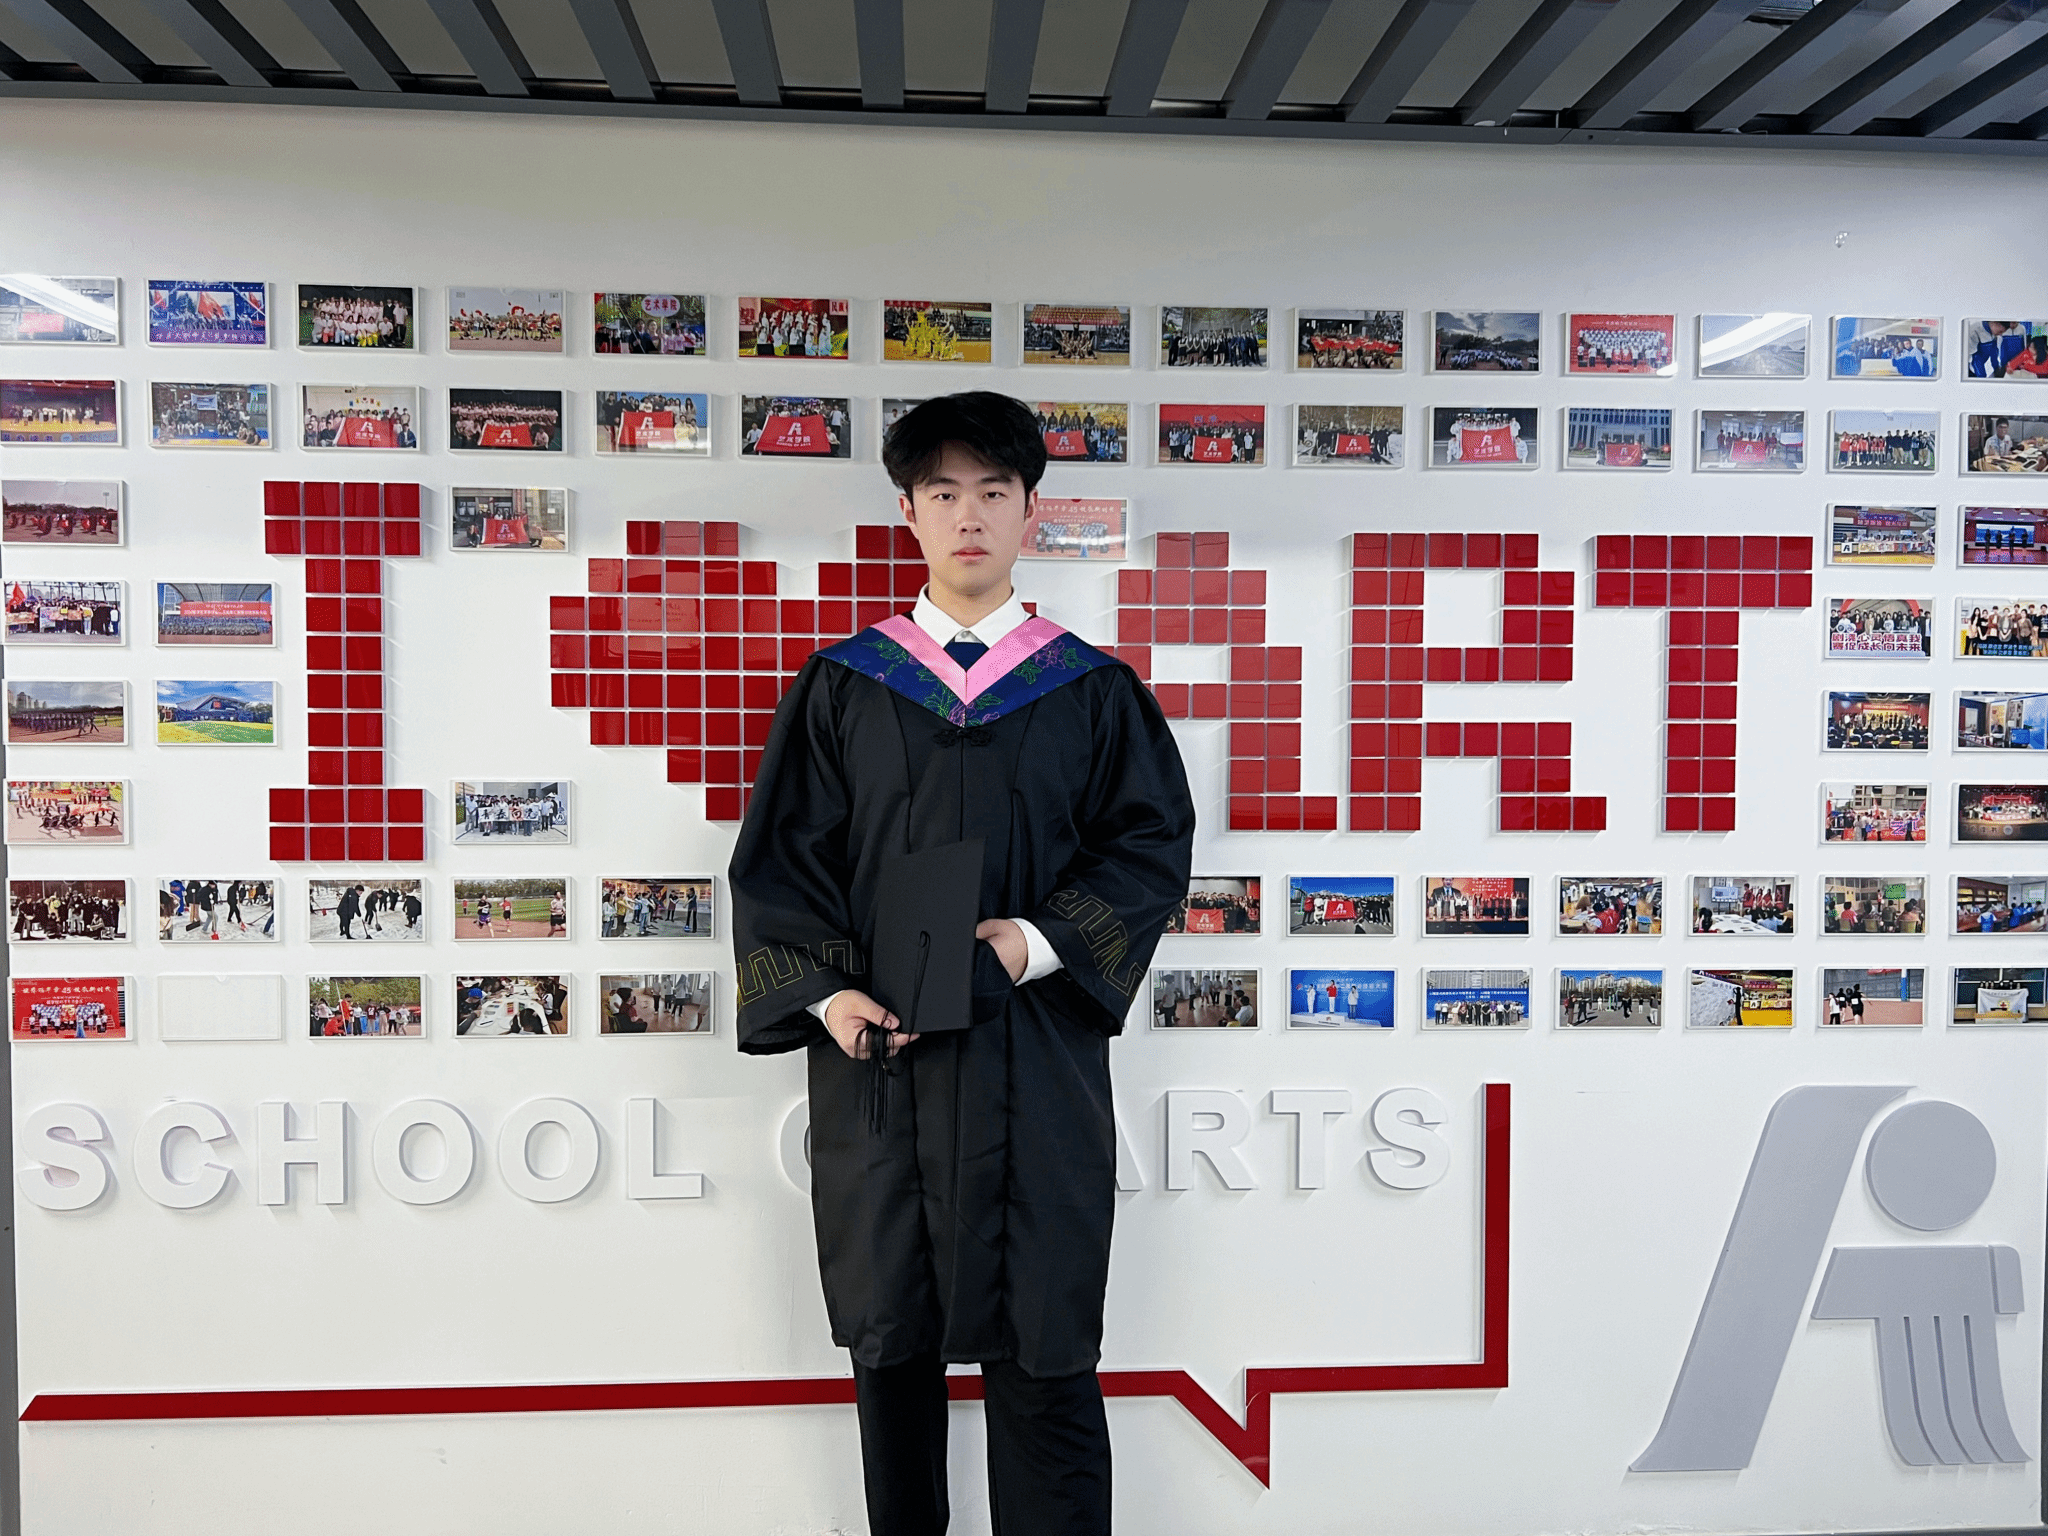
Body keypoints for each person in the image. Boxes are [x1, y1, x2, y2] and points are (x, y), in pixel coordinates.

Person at [730, 392, 1195, 1536]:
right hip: (883, 1066)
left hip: (1033, 1062)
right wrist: (826, 997)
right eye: (942, 492)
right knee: (893, 1354)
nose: (968, 515)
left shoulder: (1089, 690)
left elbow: (1146, 849)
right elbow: (782, 863)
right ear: (908, 513)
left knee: (1045, 1352)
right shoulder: (845, 686)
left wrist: (1032, 944)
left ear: (1030, 512)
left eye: (993, 491)